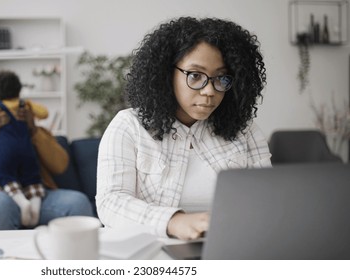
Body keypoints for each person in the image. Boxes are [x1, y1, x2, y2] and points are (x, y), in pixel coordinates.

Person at [96, 17, 272, 241]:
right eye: (195, 76)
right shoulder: (128, 126)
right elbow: (111, 202)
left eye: (221, 78)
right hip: (154, 251)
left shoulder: (245, 130)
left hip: (233, 247)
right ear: (167, 74)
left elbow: (267, 199)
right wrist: (173, 221)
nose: (210, 90)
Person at [0, 74, 93, 230]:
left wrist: (33, 130)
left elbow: (61, 165)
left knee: (78, 202)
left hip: (38, 194)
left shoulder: (37, 131)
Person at [0, 70, 49, 227]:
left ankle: (23, 203)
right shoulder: (25, 105)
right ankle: (34, 208)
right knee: (32, 177)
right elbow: (44, 113)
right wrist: (31, 114)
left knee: (6, 176)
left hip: (6, 151)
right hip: (26, 149)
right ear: (19, 89)